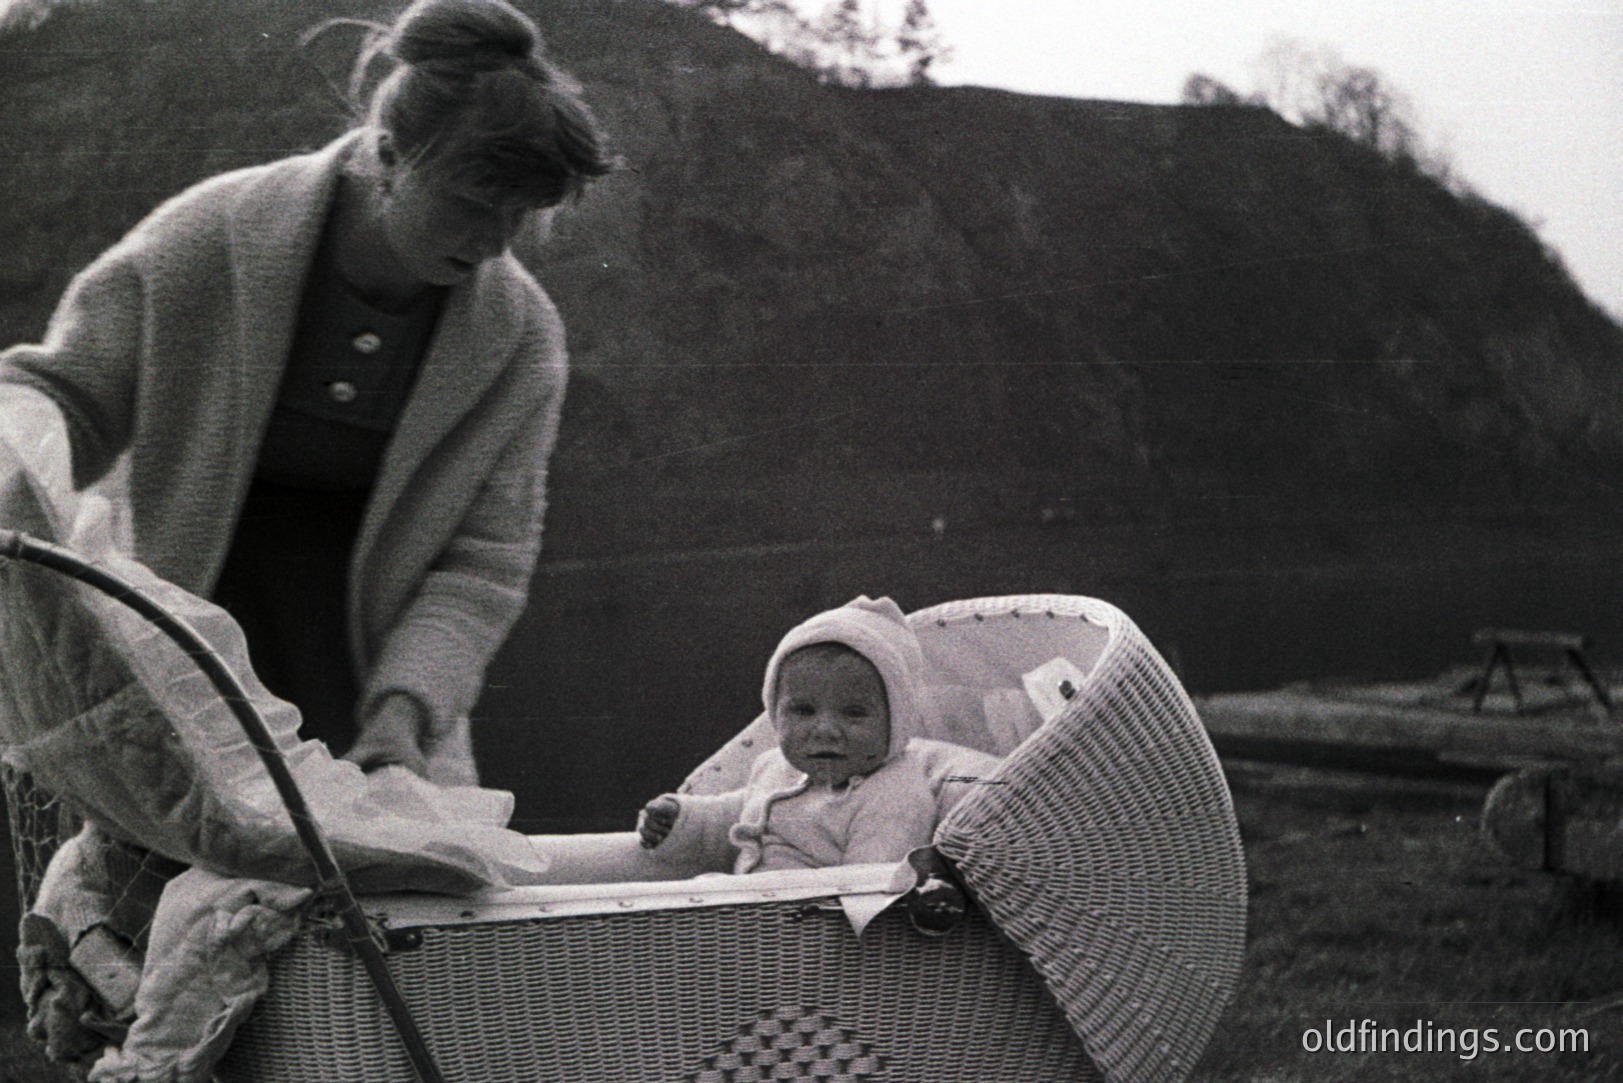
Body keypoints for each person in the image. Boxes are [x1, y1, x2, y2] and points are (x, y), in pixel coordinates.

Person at [0, 0, 612, 782]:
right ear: (390, 157)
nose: (493, 243)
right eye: (469, 205)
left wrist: (405, 712)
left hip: (370, 717)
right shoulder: (210, 237)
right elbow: (60, 400)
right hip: (175, 677)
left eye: (519, 217)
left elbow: (481, 563)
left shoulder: (522, 342)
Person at [636, 596, 1003, 880]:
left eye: (854, 713)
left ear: (897, 722)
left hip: (812, 940)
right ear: (775, 713)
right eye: (804, 711)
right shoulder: (774, 766)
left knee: (704, 898)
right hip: (754, 917)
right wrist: (682, 821)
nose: (825, 729)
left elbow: (868, 886)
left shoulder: (894, 795)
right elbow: (741, 813)